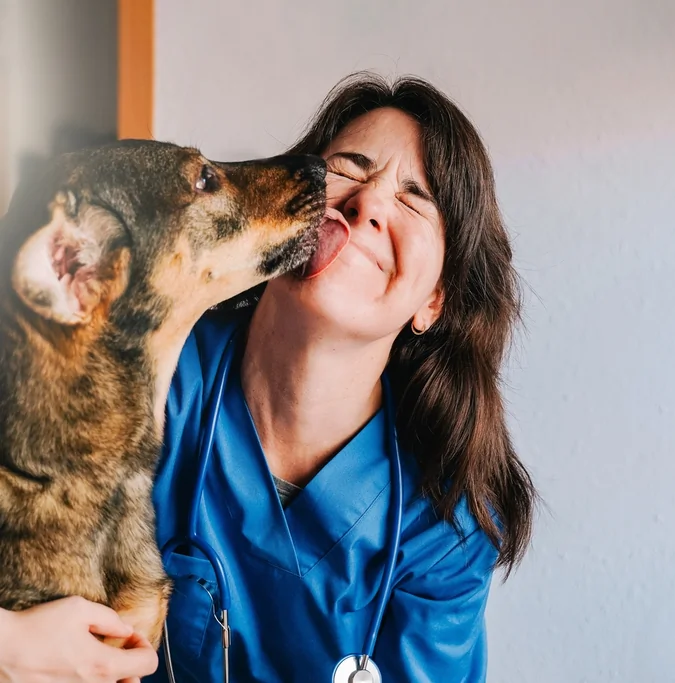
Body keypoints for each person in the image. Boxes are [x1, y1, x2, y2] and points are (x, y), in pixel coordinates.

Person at [0, 71, 535, 683]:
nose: (369, 204)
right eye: (350, 169)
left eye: (415, 198)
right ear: (288, 203)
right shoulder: (138, 380)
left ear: (434, 300)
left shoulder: (443, 524)